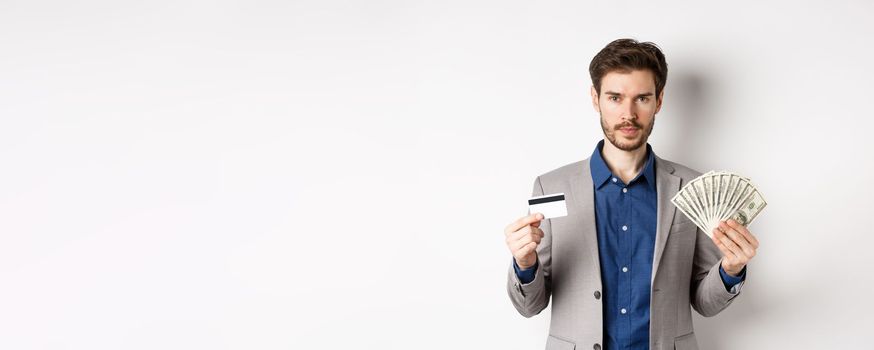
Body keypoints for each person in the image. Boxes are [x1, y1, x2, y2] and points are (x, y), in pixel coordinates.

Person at [504, 38, 759, 350]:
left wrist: (730, 270)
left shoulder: (693, 188)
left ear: (659, 101)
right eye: (615, 97)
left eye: (642, 98)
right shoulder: (552, 187)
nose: (628, 113)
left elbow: (705, 303)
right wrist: (524, 262)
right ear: (595, 99)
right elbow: (530, 306)